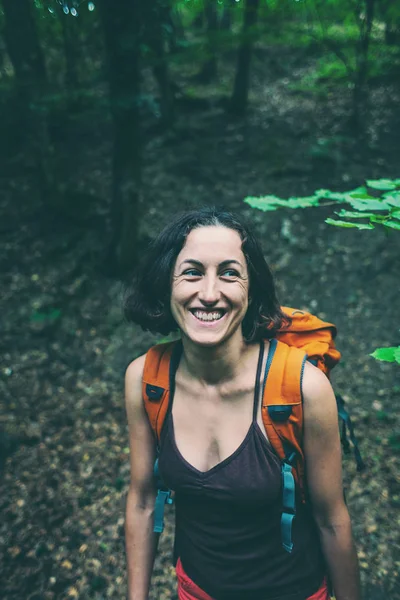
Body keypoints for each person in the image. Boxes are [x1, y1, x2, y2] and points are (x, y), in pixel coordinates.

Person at [123, 207, 361, 600]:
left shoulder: (303, 388)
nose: (210, 293)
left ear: (252, 293)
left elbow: (331, 520)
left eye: (230, 273)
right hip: (195, 590)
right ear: (166, 284)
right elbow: (143, 499)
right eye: (192, 272)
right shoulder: (146, 380)